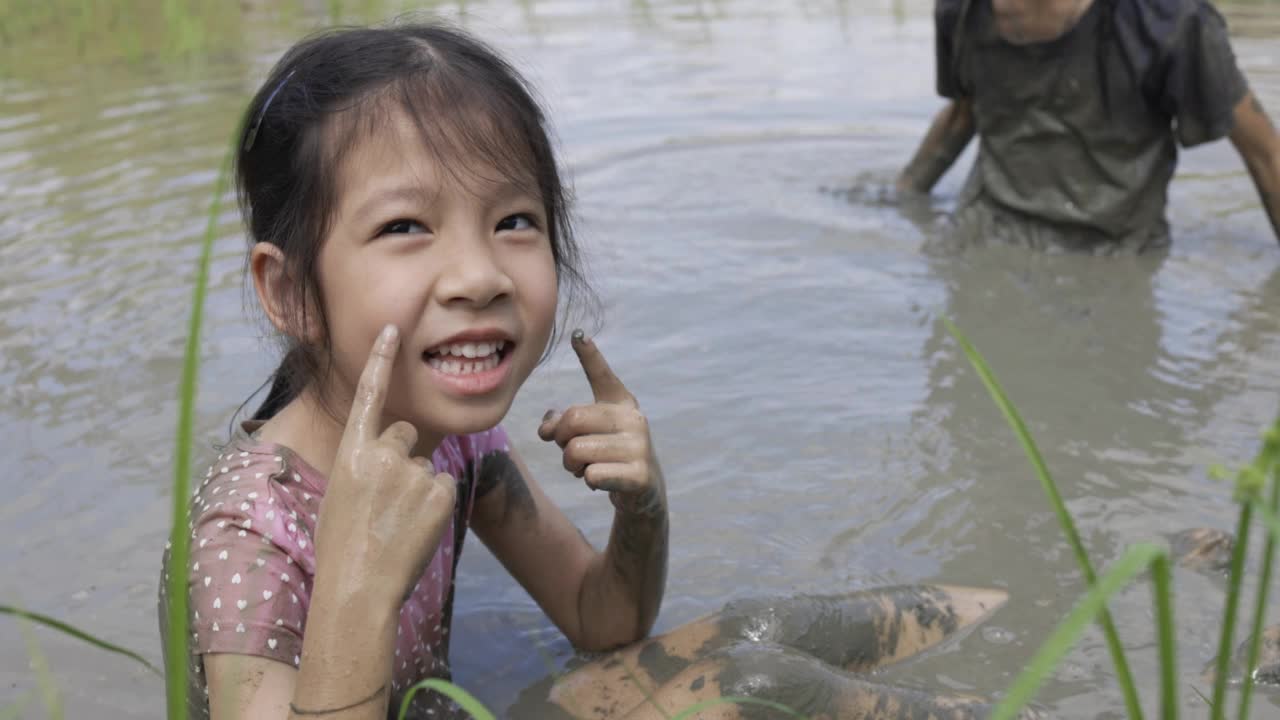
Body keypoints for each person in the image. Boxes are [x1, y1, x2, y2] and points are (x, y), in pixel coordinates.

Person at [158, 21, 1027, 720]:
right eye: (404, 227)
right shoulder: (252, 531)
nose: (481, 275)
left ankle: (1045, 626)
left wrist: (641, 507)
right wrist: (353, 583)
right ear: (291, 292)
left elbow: (600, 619)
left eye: (514, 220)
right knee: (749, 690)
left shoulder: (452, 448)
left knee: (762, 633)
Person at [896, 0, 1280, 253]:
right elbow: (964, 113)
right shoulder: (960, 11)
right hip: (981, 236)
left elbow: (1264, 153)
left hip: (1112, 253)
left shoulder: (1172, 21)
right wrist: (903, 198)